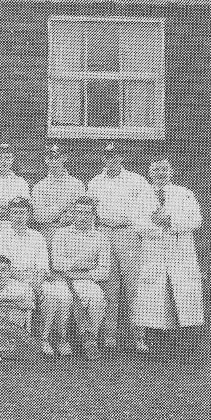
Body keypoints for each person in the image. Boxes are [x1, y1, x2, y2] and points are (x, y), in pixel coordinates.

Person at [131, 158, 205, 356]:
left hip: (180, 253)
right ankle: (156, 344)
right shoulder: (142, 195)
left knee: (182, 294)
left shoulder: (184, 193)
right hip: (154, 252)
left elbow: (195, 219)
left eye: (165, 170)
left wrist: (170, 220)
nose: (161, 173)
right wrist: (156, 226)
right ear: (150, 173)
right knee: (155, 297)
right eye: (156, 170)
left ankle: (184, 345)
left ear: (171, 172)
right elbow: (137, 223)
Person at [87, 141, 151, 350]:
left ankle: (138, 336)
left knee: (133, 286)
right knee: (109, 285)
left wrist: (138, 228)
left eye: (114, 156)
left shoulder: (136, 180)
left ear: (121, 158)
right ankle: (109, 334)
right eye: (107, 156)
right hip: (105, 232)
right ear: (103, 159)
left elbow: (149, 208)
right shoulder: (96, 182)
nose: (110, 160)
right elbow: (91, 210)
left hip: (127, 233)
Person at [42, 196, 111, 359]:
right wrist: (86, 264)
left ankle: (90, 338)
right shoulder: (61, 233)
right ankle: (62, 339)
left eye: (87, 213)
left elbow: (104, 271)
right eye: (79, 212)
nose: (83, 216)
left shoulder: (101, 237)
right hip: (61, 279)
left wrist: (77, 270)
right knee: (62, 297)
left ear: (94, 215)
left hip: (85, 279)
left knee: (97, 298)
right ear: (73, 213)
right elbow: (57, 263)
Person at [0, 197, 49, 335]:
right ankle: (17, 338)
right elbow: (4, 267)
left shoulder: (37, 236)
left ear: (28, 214)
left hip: (36, 279)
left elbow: (42, 266)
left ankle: (43, 339)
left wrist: (36, 282)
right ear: (9, 215)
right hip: (11, 279)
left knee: (53, 296)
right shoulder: (1, 236)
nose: (18, 216)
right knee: (23, 295)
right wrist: (30, 283)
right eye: (15, 212)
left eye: (22, 212)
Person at [32, 144, 85, 245]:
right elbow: (39, 216)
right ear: (46, 160)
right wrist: (63, 206)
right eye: (49, 158)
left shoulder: (76, 184)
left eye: (56, 157)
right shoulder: (39, 187)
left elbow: (81, 212)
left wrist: (67, 216)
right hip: (48, 232)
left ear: (64, 158)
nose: (53, 162)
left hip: (72, 233)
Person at [0, 142, 31, 239]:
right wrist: (11, 209)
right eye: (0, 158)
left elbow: (25, 208)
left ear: (12, 160)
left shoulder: (20, 182)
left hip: (15, 227)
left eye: (7, 158)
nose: (4, 162)